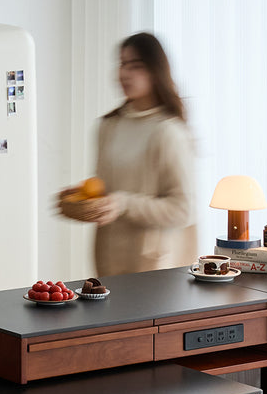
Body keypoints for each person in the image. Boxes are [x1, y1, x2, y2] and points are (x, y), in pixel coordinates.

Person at [79, 32, 197, 276]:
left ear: (156, 71)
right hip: (108, 260)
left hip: (153, 269)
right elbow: (105, 191)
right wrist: (81, 197)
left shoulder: (168, 132)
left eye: (136, 66)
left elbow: (182, 209)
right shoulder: (108, 126)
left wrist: (123, 203)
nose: (124, 73)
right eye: (122, 64)